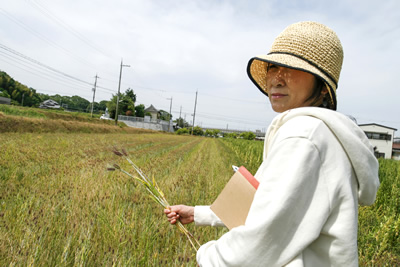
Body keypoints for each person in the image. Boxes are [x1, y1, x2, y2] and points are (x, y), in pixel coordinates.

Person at [164, 21, 380, 266]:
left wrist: (207, 256)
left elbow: (260, 242)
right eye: (273, 66)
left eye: (291, 67)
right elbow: (264, 202)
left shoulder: (304, 136)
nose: (277, 79)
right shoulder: (317, 132)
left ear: (322, 87)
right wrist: (197, 213)